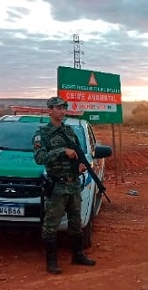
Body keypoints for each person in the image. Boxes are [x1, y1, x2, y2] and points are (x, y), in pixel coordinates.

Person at [32, 96, 96, 274]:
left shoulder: (69, 131)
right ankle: (51, 262)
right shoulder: (42, 133)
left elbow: (77, 152)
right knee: (51, 225)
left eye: (64, 108)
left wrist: (81, 165)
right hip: (57, 187)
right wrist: (61, 151)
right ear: (49, 110)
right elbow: (39, 158)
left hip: (73, 185)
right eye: (58, 108)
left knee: (76, 223)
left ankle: (78, 255)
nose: (62, 111)